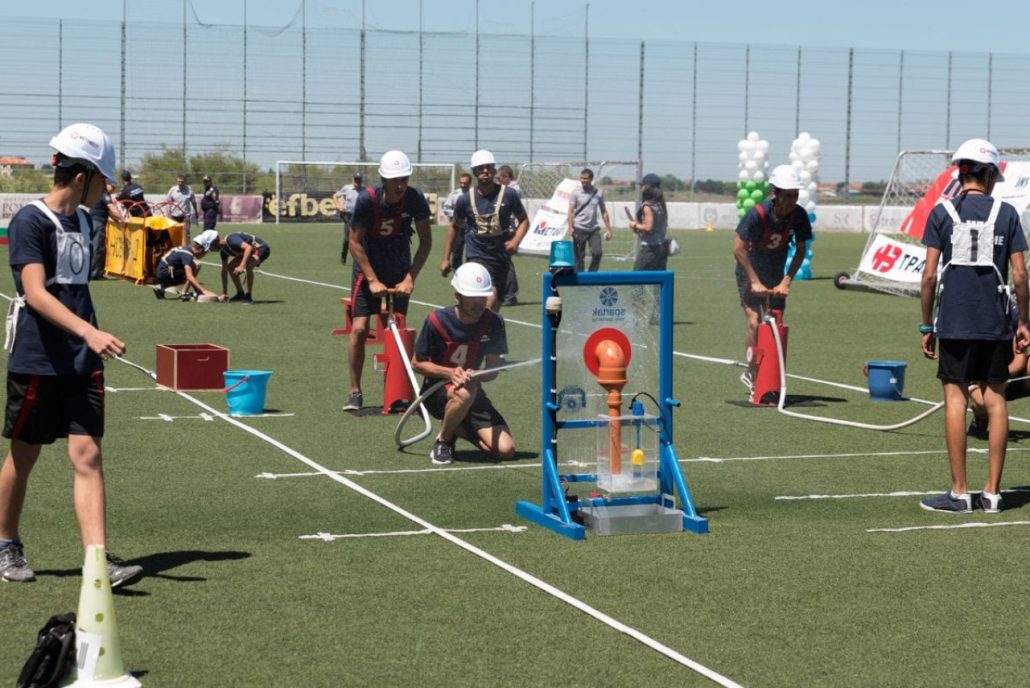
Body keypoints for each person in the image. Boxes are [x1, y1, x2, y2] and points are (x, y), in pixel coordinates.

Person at [0, 123, 143, 587]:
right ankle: (5, 544)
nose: (106, 189)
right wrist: (89, 332)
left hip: (82, 363)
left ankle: (97, 561)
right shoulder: (30, 221)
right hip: (38, 360)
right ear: (81, 178)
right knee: (24, 456)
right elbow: (36, 293)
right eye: (102, 180)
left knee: (88, 456)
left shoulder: (84, 220)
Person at [918, 138, 1029, 514]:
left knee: (955, 398)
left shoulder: (941, 212)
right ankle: (993, 494)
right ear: (990, 174)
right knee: (996, 400)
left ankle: (959, 493)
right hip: (996, 322)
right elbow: (1020, 275)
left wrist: (925, 324)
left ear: (962, 172)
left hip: (954, 321)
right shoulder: (1008, 214)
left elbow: (929, 276)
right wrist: (1024, 323)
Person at [344, 150, 433, 412]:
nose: (400, 185)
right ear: (383, 178)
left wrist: (409, 278)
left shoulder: (415, 199)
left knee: (397, 330)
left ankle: (397, 392)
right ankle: (354, 391)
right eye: (394, 180)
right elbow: (354, 242)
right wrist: (371, 279)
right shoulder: (366, 200)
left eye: (404, 179)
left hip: (399, 266)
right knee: (360, 328)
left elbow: (426, 242)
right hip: (367, 268)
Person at [412, 262, 515, 465]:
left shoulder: (494, 322)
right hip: (437, 392)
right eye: (471, 297)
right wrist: (450, 374)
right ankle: (444, 440)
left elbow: (492, 371)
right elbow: (417, 364)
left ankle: (456, 425)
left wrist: (476, 374)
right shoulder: (436, 321)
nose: (478, 303)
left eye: (482, 297)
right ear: (457, 296)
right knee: (464, 392)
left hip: (473, 394)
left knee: (505, 450)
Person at [732, 164, 812, 390]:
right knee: (755, 323)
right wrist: (755, 280)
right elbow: (737, 248)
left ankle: (771, 375)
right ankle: (752, 373)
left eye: (795, 195)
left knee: (775, 324)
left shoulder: (800, 216)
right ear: (774, 193)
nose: (792, 200)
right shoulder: (757, 214)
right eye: (787, 195)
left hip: (775, 272)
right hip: (749, 270)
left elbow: (801, 249)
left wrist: (786, 280)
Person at [443, 150, 528, 312]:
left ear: (494, 170)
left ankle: (486, 334)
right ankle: (476, 335)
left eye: (489, 168)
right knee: (489, 299)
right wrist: (446, 258)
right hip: (477, 254)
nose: (485, 172)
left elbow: (524, 220)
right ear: (474, 172)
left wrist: (515, 241)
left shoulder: (509, 195)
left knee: (496, 306)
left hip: (501, 256)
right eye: (481, 168)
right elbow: (454, 226)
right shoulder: (465, 199)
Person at [154, 229, 223, 301]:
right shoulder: (187, 255)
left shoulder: (186, 250)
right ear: (200, 250)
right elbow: (189, 276)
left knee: (195, 265)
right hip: (166, 274)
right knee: (195, 266)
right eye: (205, 252)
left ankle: (167, 288)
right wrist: (203, 290)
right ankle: (182, 292)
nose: (204, 255)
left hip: (163, 272)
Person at [567, 168, 613, 272]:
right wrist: (570, 227)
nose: (582, 180)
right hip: (579, 228)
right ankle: (580, 281)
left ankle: (592, 275)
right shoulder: (576, 193)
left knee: (597, 253)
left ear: (591, 179)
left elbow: (604, 212)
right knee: (579, 257)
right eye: (581, 178)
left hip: (593, 229)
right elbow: (570, 211)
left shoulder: (598, 193)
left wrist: (609, 229)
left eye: (585, 178)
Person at [495, 164, 522, 306]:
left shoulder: (513, 190)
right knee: (503, 261)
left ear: (506, 177)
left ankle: (510, 294)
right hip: (505, 228)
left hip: (509, 229)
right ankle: (506, 293)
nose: (497, 181)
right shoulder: (509, 189)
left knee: (506, 261)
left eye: (499, 178)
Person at [219, 231, 271, 304]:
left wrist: (241, 266)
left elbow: (249, 248)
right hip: (249, 251)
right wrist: (224, 292)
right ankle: (240, 294)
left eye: (210, 247)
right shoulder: (223, 251)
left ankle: (248, 297)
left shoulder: (232, 240)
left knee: (249, 265)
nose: (211, 250)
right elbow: (224, 271)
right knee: (229, 267)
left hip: (260, 248)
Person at [88, 181, 125, 280]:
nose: (113, 188)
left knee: (98, 248)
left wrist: (118, 221)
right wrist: (123, 219)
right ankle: (94, 274)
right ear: (106, 185)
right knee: (97, 248)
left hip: (93, 222)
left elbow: (108, 212)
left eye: (115, 186)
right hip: (97, 223)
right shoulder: (104, 194)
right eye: (112, 185)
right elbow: (112, 208)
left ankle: (96, 272)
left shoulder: (99, 193)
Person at [441, 173, 472, 276]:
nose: (463, 185)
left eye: (465, 183)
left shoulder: (475, 194)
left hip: (472, 228)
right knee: (457, 250)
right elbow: (446, 208)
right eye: (461, 183)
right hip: (458, 228)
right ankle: (456, 272)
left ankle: (471, 271)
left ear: (470, 183)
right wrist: (457, 216)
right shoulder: (454, 195)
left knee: (472, 250)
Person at [333, 172, 363, 264]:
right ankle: (343, 255)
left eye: (359, 179)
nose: (358, 181)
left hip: (360, 216)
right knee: (347, 239)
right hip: (348, 216)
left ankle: (359, 258)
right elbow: (335, 196)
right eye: (356, 179)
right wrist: (338, 205)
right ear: (353, 179)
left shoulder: (364, 189)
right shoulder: (347, 188)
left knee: (361, 238)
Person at [166, 173, 199, 237]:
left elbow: (193, 202)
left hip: (185, 216)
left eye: (182, 182)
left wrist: (196, 211)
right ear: (176, 181)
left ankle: (186, 246)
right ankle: (175, 246)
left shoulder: (189, 191)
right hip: (174, 215)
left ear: (185, 182)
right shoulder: (173, 190)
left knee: (186, 233)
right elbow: (167, 202)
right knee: (173, 233)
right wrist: (168, 213)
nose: (180, 183)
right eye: (179, 181)